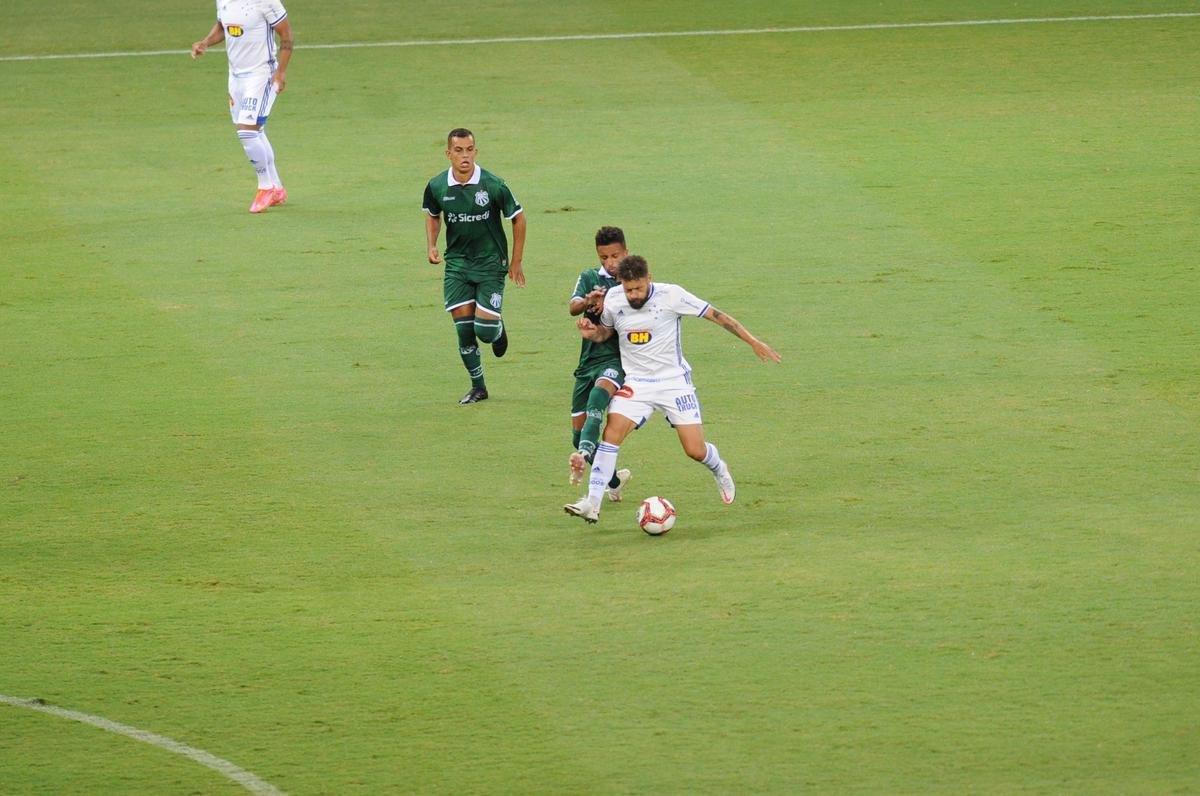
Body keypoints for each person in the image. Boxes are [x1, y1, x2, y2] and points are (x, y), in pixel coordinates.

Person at [564, 254, 781, 523]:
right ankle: (591, 502)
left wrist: (753, 341)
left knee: (694, 450)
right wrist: (592, 334)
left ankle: (718, 467)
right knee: (610, 436)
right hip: (637, 383)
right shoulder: (614, 299)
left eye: (639, 288)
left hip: (673, 383)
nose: (633, 295)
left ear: (649, 279)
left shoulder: (671, 295)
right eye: (629, 289)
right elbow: (607, 333)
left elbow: (716, 315)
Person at [422, 128, 526, 404]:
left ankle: (498, 328)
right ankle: (478, 387)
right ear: (448, 154)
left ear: (475, 152)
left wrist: (515, 262)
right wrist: (431, 245)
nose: (464, 156)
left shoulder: (493, 185)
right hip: (457, 266)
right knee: (464, 330)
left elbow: (518, 217)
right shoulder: (437, 186)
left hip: (491, 264)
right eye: (458, 150)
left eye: (469, 150)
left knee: (485, 331)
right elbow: (433, 215)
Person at [191, 0, 294, 214]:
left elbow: (286, 35)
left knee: (247, 132)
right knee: (256, 130)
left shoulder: (266, 1)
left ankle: (265, 187)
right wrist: (205, 42)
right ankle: (277, 188)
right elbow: (223, 26)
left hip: (262, 74)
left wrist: (281, 72)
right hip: (236, 77)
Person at [567, 226, 632, 501]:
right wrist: (586, 304)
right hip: (587, 362)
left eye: (615, 256)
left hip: (616, 359)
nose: (610, 263)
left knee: (597, 399)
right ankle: (615, 480)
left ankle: (582, 458)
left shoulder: (633, 282)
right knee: (579, 433)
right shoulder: (589, 277)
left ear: (625, 252)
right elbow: (572, 307)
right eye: (604, 257)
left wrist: (611, 302)